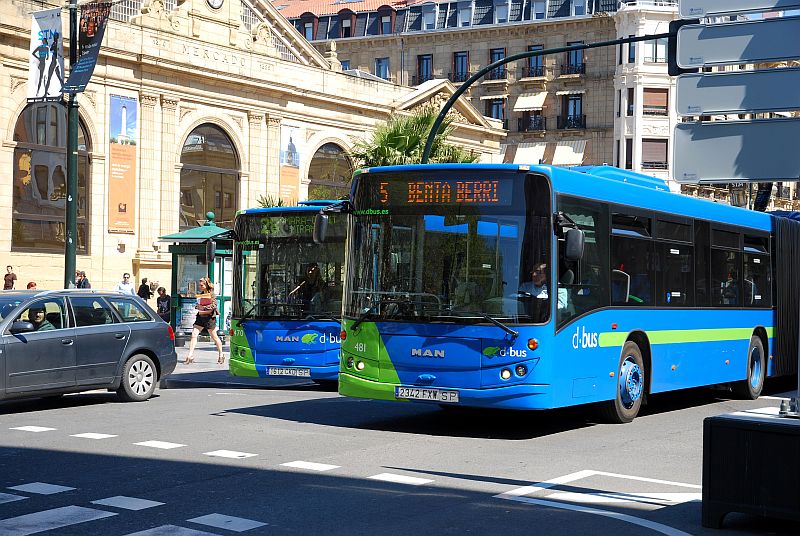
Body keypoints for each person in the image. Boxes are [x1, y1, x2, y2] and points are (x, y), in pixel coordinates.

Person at [184, 277, 224, 365]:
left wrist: (204, 307)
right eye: (200, 285)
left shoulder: (212, 294)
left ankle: (221, 355)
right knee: (194, 334)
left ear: (206, 285)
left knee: (214, 337)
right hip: (200, 317)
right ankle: (190, 356)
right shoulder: (201, 294)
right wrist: (197, 306)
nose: (200, 286)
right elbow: (198, 304)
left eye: (202, 285)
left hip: (209, 318)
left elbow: (214, 305)